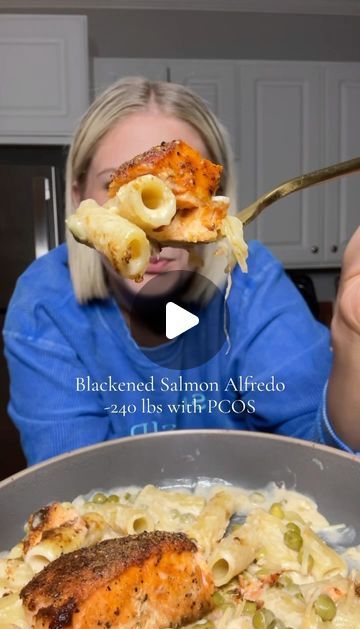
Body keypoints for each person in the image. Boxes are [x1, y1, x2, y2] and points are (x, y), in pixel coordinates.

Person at [3, 77, 360, 465]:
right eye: (115, 184)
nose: (159, 227)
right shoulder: (44, 304)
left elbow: (320, 458)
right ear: (79, 197)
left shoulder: (251, 280)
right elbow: (73, 486)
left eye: (183, 189)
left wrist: (352, 342)